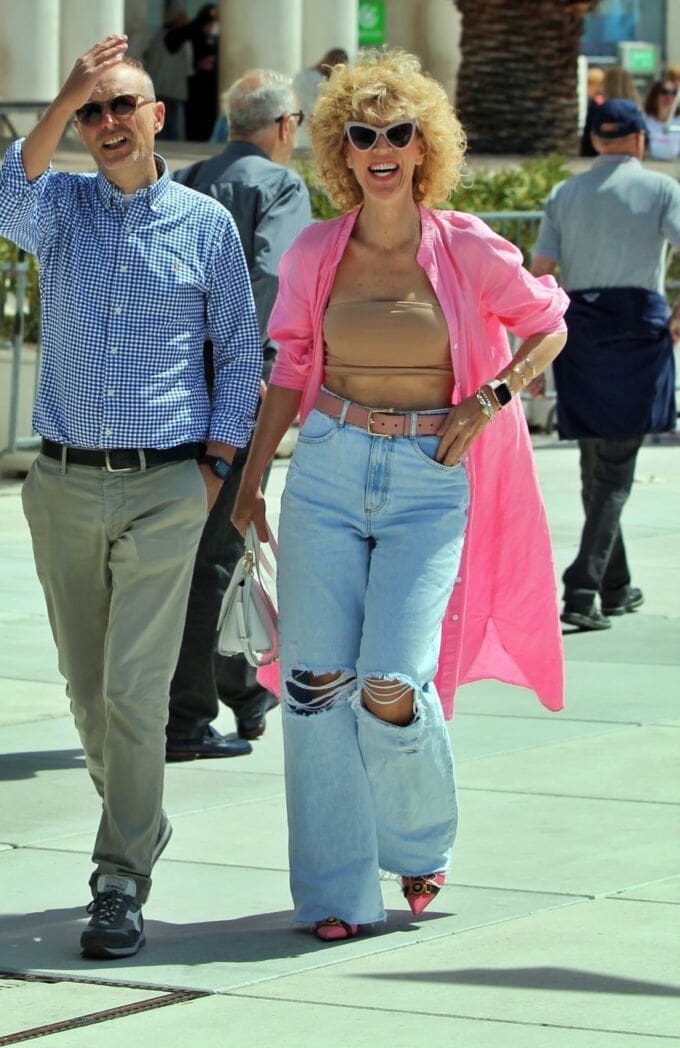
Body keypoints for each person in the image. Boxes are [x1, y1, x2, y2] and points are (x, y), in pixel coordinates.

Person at [231, 49, 569, 941]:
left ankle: (419, 841)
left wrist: (491, 397)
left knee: (390, 680)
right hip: (329, 468)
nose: (381, 150)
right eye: (362, 135)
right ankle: (335, 895)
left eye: (398, 133)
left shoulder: (466, 245)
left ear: (425, 146)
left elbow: (548, 324)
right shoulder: (316, 250)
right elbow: (291, 366)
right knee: (315, 685)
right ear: (342, 151)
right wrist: (253, 478)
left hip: (428, 476)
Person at [0, 34, 262, 959]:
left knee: (134, 692)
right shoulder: (61, 208)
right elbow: (4, 201)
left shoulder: (205, 225)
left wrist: (215, 469)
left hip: (165, 486)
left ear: (156, 117)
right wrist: (61, 98)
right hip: (63, 482)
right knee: (87, 692)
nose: (106, 122)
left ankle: (120, 878)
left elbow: (240, 352)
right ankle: (141, 820)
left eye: (121, 105)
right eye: (93, 111)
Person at [166, 69, 313, 761]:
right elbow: (273, 276)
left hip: (172, 390)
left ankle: (243, 691)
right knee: (220, 552)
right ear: (284, 125)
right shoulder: (279, 186)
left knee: (190, 550)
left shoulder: (188, 178)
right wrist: (256, 367)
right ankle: (188, 718)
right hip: (235, 388)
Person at [532, 98, 680, 631]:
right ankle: (583, 588)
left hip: (581, 333)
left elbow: (541, 272)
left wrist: (533, 355)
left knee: (594, 464)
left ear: (595, 140)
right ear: (639, 139)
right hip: (638, 328)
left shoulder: (564, 193)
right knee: (614, 469)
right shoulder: (662, 188)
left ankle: (615, 585)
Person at [167, 3, 220, 141]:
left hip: (214, 86)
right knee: (194, 121)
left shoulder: (220, 38)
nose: (211, 28)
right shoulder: (193, 32)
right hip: (195, 87)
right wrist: (198, 64)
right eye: (209, 24)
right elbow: (171, 43)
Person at [144, 10, 193, 140]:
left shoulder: (158, 37)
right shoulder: (170, 37)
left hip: (162, 90)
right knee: (172, 135)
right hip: (169, 93)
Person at [294, 48, 350, 148]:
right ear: (332, 61)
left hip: (298, 132)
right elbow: (316, 111)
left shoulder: (301, 76)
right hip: (309, 136)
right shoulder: (317, 82)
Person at [580, 65, 640, 157]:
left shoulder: (599, 106)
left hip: (601, 157)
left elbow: (588, 139)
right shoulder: (635, 109)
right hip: (630, 158)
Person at [642, 77, 680, 161]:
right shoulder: (644, 120)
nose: (669, 96)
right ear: (654, 95)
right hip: (651, 166)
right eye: (664, 92)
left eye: (674, 93)